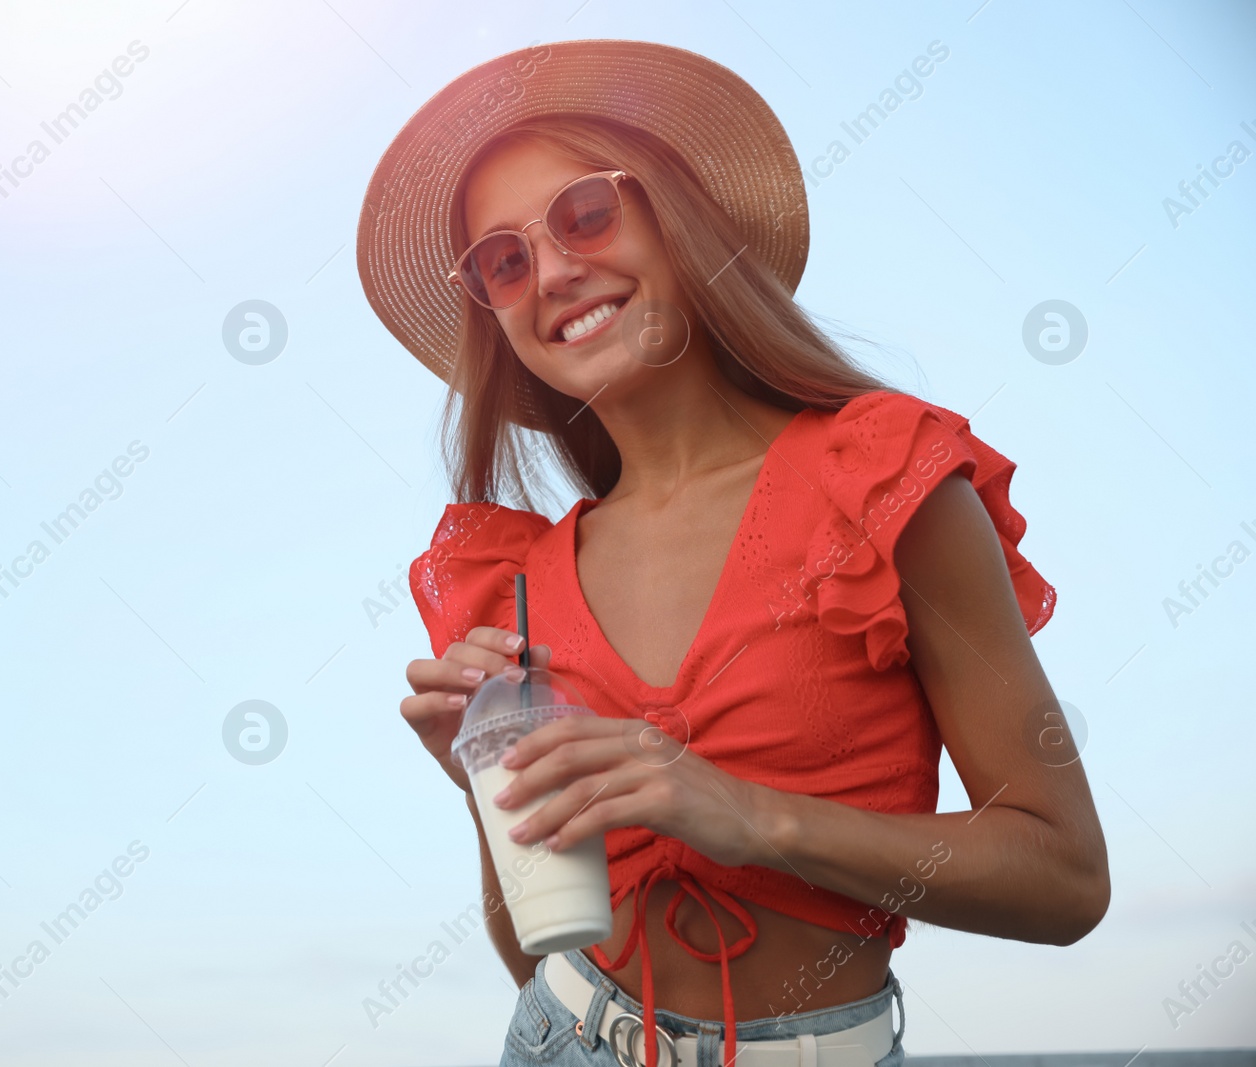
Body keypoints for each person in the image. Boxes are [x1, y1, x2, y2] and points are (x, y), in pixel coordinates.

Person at [355, 39, 1109, 1067]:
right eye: (503, 260)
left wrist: (747, 815)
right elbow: (536, 943)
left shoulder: (881, 483)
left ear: (679, 216)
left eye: (585, 212)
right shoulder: (514, 581)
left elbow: (1063, 877)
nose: (556, 270)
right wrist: (485, 792)